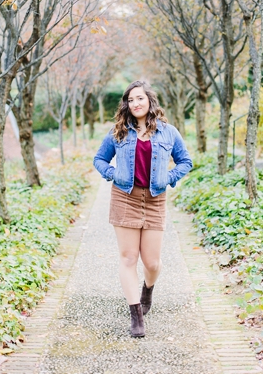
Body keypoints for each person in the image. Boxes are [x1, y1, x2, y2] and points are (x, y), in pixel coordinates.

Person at [93, 80, 193, 338]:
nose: (135, 103)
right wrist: (112, 173)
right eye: (130, 100)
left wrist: (168, 178)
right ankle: (136, 315)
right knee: (128, 258)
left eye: (140, 98)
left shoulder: (168, 132)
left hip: (155, 199)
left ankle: (147, 288)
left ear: (149, 101)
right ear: (126, 104)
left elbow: (185, 161)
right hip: (125, 197)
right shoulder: (119, 131)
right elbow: (99, 159)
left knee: (152, 262)